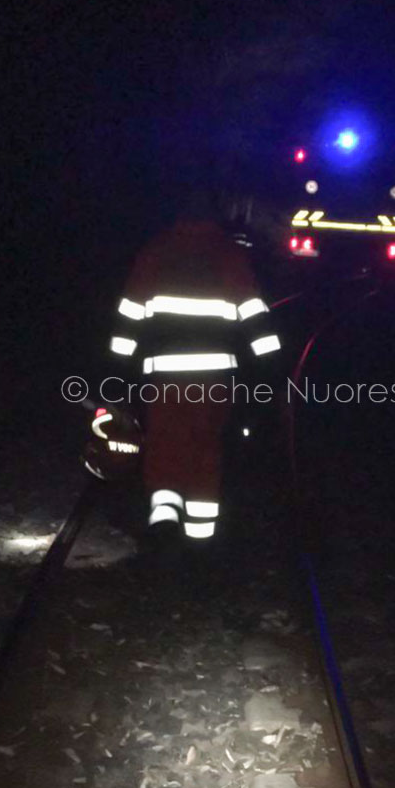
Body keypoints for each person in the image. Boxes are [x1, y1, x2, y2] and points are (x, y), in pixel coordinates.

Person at [107, 186, 281, 549]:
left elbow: (128, 321)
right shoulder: (230, 255)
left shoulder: (154, 252)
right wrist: (272, 372)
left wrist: (115, 376)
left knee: (164, 448)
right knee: (205, 452)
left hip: (164, 378)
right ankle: (200, 543)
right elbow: (255, 319)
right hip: (215, 381)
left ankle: (163, 531)